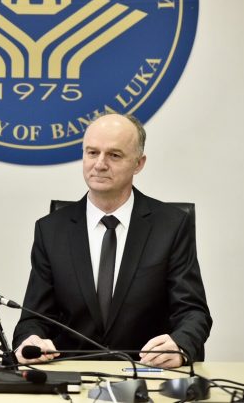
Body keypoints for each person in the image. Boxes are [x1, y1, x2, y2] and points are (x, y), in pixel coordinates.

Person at [13, 113, 212, 368]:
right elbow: (34, 318)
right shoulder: (51, 230)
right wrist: (30, 341)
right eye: (92, 153)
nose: (100, 164)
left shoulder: (171, 225)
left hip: (146, 372)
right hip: (73, 373)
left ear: (138, 164)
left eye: (114, 155)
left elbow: (193, 312)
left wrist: (181, 344)